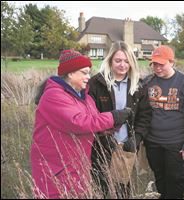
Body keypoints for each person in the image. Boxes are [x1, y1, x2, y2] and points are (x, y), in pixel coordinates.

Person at [30, 49, 132, 199]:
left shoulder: (83, 97)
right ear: (70, 73)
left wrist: (111, 127)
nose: (88, 77)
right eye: (84, 73)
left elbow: (94, 119)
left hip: (77, 163)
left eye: (89, 73)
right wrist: (113, 117)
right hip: (55, 167)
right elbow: (78, 122)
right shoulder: (53, 96)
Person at [89, 41, 152, 198]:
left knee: (122, 192)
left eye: (126, 61)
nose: (122, 65)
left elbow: (145, 117)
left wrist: (135, 140)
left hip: (125, 149)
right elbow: (90, 116)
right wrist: (103, 137)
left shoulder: (138, 85)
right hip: (101, 148)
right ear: (110, 60)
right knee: (100, 190)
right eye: (118, 60)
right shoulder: (96, 83)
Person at [144, 45, 184, 199]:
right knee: (160, 178)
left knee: (175, 181)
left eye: (161, 64)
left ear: (172, 62)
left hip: (176, 143)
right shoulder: (148, 82)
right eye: (154, 64)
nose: (157, 68)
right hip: (153, 142)